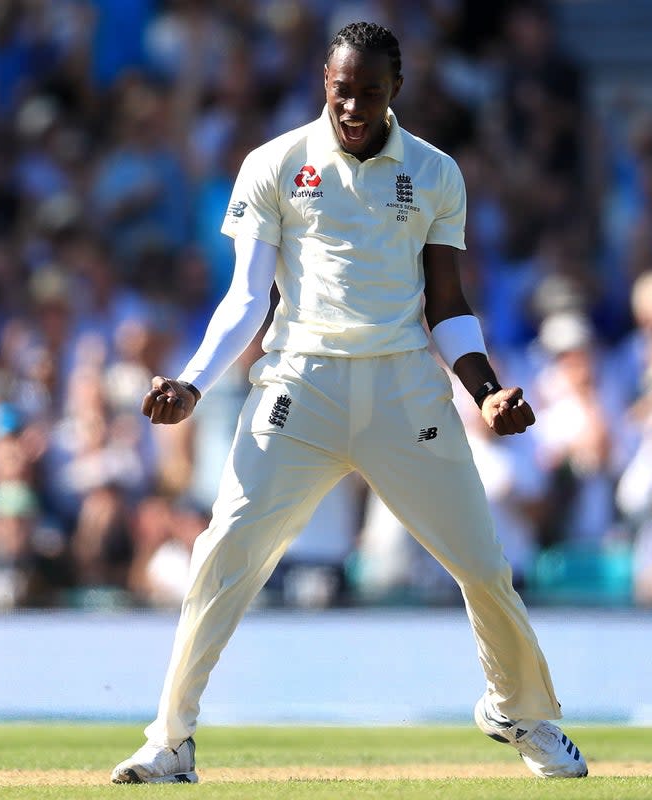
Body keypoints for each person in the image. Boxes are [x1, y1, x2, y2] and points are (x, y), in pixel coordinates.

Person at [111, 22, 588, 784]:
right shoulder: (275, 164)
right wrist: (194, 380)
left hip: (404, 387)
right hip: (300, 384)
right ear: (321, 83)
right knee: (222, 557)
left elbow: (448, 306)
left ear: (396, 90)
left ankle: (519, 711)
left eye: (370, 93)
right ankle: (170, 740)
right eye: (342, 92)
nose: (354, 109)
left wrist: (487, 390)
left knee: (481, 564)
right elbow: (244, 299)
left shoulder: (434, 173)